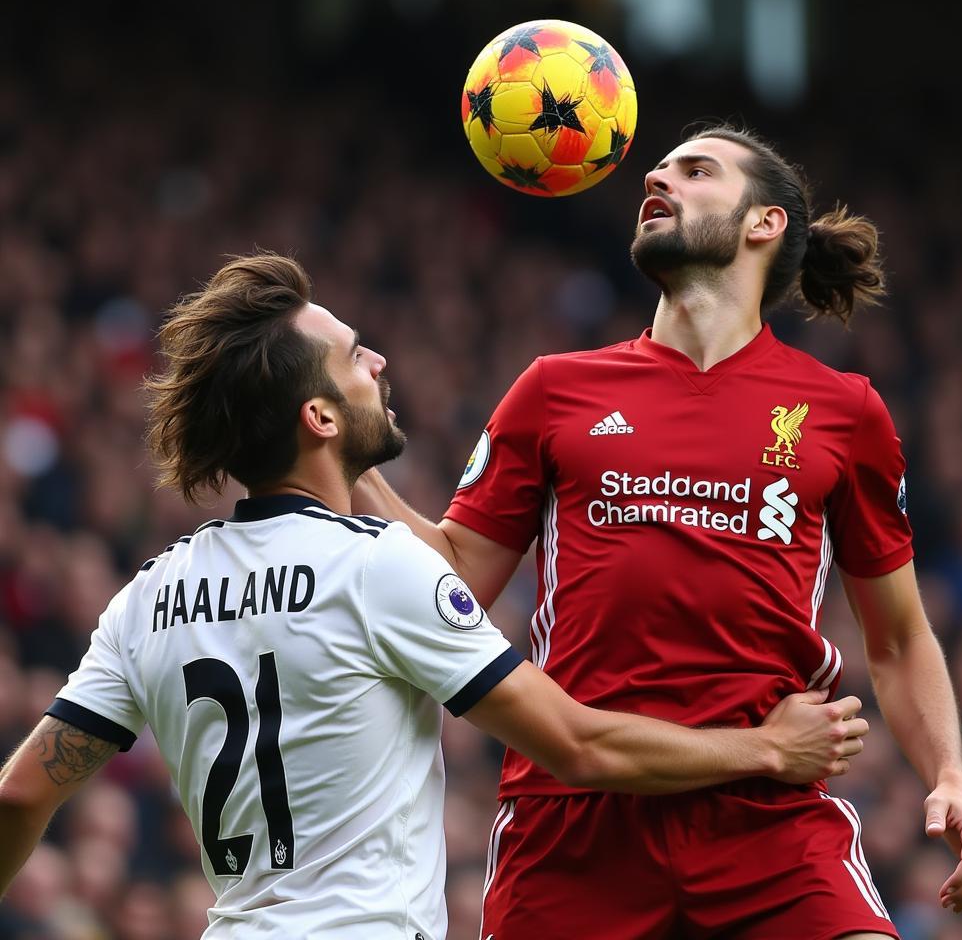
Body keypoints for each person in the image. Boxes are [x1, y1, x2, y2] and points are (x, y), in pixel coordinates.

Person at [0, 253, 870, 940]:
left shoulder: (149, 595)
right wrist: (765, 750)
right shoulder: (378, 570)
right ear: (321, 418)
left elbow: (19, 795)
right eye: (352, 355)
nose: (377, 360)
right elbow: (578, 745)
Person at [353, 125, 962, 940]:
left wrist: (950, 776)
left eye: (696, 171)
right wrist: (355, 468)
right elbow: (451, 573)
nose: (659, 180)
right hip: (575, 822)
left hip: (768, 816)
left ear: (764, 223)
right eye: (657, 172)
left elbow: (901, 639)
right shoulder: (557, 389)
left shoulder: (843, 411)